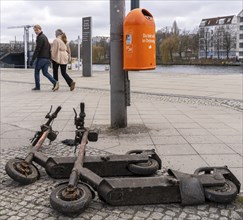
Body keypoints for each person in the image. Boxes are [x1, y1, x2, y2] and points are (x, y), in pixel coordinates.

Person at [30, 25, 59, 91]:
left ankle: (37, 87)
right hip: (46, 59)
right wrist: (49, 58)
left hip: (41, 58)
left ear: (40, 29)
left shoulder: (40, 37)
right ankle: (55, 82)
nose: (36, 32)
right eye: (35, 30)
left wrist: (32, 60)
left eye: (36, 30)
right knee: (45, 72)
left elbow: (37, 49)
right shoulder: (45, 37)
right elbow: (49, 48)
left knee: (36, 71)